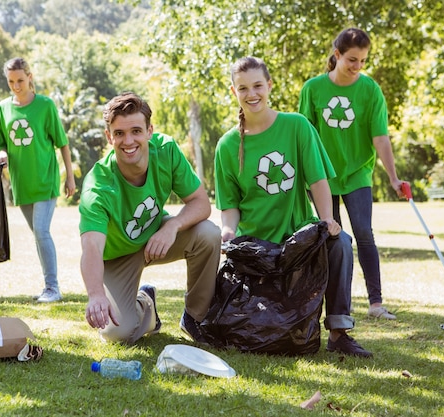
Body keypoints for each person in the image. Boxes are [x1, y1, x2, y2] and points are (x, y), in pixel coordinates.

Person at [215, 56, 372, 357]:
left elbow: (318, 180)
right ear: (233, 91)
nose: (252, 94)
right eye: (243, 88)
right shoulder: (227, 145)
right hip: (258, 247)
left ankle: (339, 333)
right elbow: (230, 204)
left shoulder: (297, 126)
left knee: (340, 244)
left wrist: (327, 220)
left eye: (258, 85)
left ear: (269, 85)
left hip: (298, 239)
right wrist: (227, 230)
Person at [79, 92, 221, 345]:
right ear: (109, 136)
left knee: (208, 233)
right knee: (117, 334)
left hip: (156, 237)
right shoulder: (98, 186)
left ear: (149, 131)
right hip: (116, 257)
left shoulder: (166, 151)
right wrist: (95, 294)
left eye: (136, 131)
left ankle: (196, 318)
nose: (128, 140)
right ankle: (146, 305)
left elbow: (201, 203)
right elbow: (91, 246)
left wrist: (172, 227)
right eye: (119, 133)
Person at [298, 28, 407, 320]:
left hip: (358, 172)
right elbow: (304, 138)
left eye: (362, 61)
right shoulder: (312, 89)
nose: (357, 66)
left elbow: (380, 138)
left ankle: (375, 303)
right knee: (333, 239)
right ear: (337, 55)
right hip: (323, 177)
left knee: (363, 234)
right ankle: (329, 305)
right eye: (352, 60)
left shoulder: (370, 90)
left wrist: (393, 177)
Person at [0, 57, 75, 303]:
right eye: (11, 82)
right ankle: (47, 286)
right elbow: (2, 144)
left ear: (30, 77)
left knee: (41, 231)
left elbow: (62, 144)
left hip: (45, 180)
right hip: (22, 184)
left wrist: (70, 178)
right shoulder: (3, 108)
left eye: (20, 80)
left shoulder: (45, 105)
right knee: (38, 235)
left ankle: (53, 288)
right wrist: (1, 155)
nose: (16, 86)